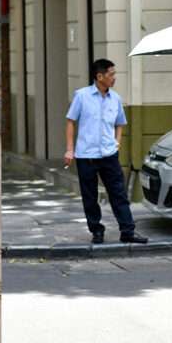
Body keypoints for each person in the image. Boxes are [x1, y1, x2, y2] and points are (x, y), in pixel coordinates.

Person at [64, 59, 148, 245]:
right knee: (90, 196)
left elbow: (120, 123)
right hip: (86, 155)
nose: (114, 78)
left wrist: (117, 143)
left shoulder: (115, 98)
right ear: (99, 76)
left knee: (118, 193)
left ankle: (127, 231)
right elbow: (71, 121)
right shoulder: (82, 96)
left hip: (109, 155)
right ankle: (97, 231)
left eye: (114, 74)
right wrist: (70, 150)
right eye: (111, 74)